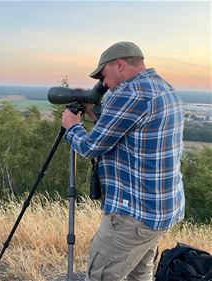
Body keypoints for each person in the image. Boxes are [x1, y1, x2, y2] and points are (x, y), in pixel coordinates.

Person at [61, 42, 185, 281]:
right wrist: (91, 112)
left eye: (103, 76)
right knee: (139, 274)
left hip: (132, 214)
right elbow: (124, 128)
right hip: (159, 210)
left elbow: (91, 147)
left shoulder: (131, 92)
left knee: (100, 275)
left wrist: (72, 127)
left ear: (119, 65)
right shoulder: (163, 88)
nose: (103, 84)